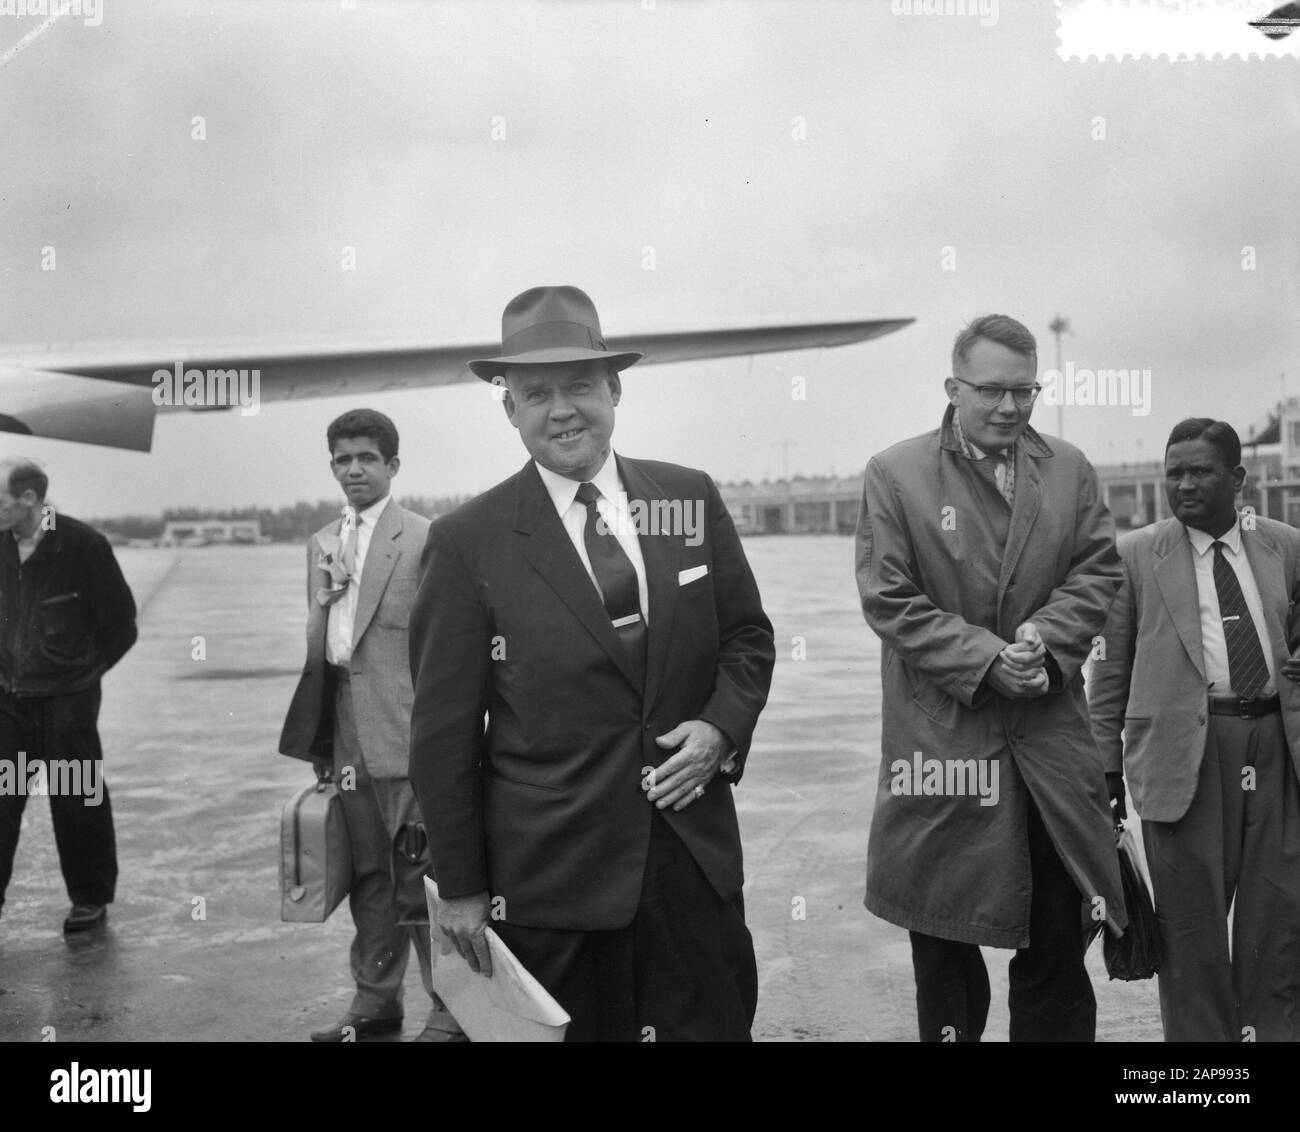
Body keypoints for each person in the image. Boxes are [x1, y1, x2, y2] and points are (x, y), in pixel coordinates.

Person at [408, 284, 775, 1042]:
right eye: (535, 393)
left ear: (614, 389)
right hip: (551, 888)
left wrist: (719, 729)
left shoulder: (688, 498)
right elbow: (442, 737)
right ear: (508, 408)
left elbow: (747, 638)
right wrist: (465, 890)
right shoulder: (466, 542)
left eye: (580, 386)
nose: (561, 409)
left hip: (690, 864)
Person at [855, 314, 1126, 1042]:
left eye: (1025, 390)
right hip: (942, 747)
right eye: (993, 391)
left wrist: (1045, 638)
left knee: (1057, 943)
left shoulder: (1069, 469)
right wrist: (985, 660)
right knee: (943, 941)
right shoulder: (895, 473)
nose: (1010, 407)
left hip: (1047, 744)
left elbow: (1099, 567)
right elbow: (888, 597)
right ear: (953, 387)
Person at [1089, 418, 1300, 1042]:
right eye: (1173, 471)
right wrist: (1106, 766)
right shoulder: (1133, 556)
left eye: (1199, 471)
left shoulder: (1285, 545)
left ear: (1237, 478)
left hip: (1273, 746)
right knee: (1190, 926)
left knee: (1279, 918)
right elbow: (1108, 672)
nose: (1182, 484)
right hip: (1181, 757)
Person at [279, 409, 463, 1042]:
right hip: (345, 732)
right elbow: (327, 648)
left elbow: (445, 649)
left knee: (424, 878)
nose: (352, 469)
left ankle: (451, 1008)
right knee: (368, 877)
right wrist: (324, 739)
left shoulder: (425, 538)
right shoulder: (321, 544)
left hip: (409, 734)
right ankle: (375, 1001)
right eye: (341, 459)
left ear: (392, 466)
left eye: (365, 458)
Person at [0, 458, 137, 933]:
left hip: (67, 702)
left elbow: (121, 625)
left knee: (76, 798)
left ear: (29, 500)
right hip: (8, 701)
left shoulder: (82, 546)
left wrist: (83, 676)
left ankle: (90, 898)